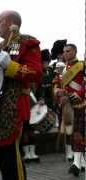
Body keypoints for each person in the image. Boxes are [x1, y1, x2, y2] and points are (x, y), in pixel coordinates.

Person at [0, 10, 42, 180]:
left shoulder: (27, 42)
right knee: (1, 156)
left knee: (11, 157)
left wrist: (12, 66)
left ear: (9, 23)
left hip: (13, 107)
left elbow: (36, 73)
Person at [54, 44, 85, 177]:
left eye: (68, 51)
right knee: (73, 134)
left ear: (75, 51)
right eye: (64, 51)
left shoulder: (82, 66)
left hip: (81, 104)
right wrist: (57, 92)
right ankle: (79, 162)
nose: (65, 54)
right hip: (67, 106)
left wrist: (78, 95)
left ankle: (77, 163)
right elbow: (55, 83)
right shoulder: (61, 68)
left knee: (79, 134)